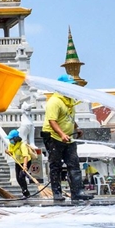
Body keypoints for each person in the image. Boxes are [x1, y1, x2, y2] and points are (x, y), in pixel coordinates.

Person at [41, 74, 93, 202]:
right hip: (53, 137)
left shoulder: (70, 101)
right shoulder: (54, 101)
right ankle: (57, 193)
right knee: (56, 165)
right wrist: (61, 134)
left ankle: (78, 192)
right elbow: (52, 121)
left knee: (74, 164)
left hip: (68, 137)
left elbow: (68, 118)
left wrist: (77, 128)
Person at [5, 129, 31, 198]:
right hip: (18, 162)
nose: (10, 140)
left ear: (15, 138)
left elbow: (26, 156)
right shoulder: (11, 145)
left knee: (21, 177)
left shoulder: (22, 145)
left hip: (26, 161)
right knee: (18, 178)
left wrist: (25, 166)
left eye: (11, 139)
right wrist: (7, 152)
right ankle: (25, 192)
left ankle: (26, 193)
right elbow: (11, 152)